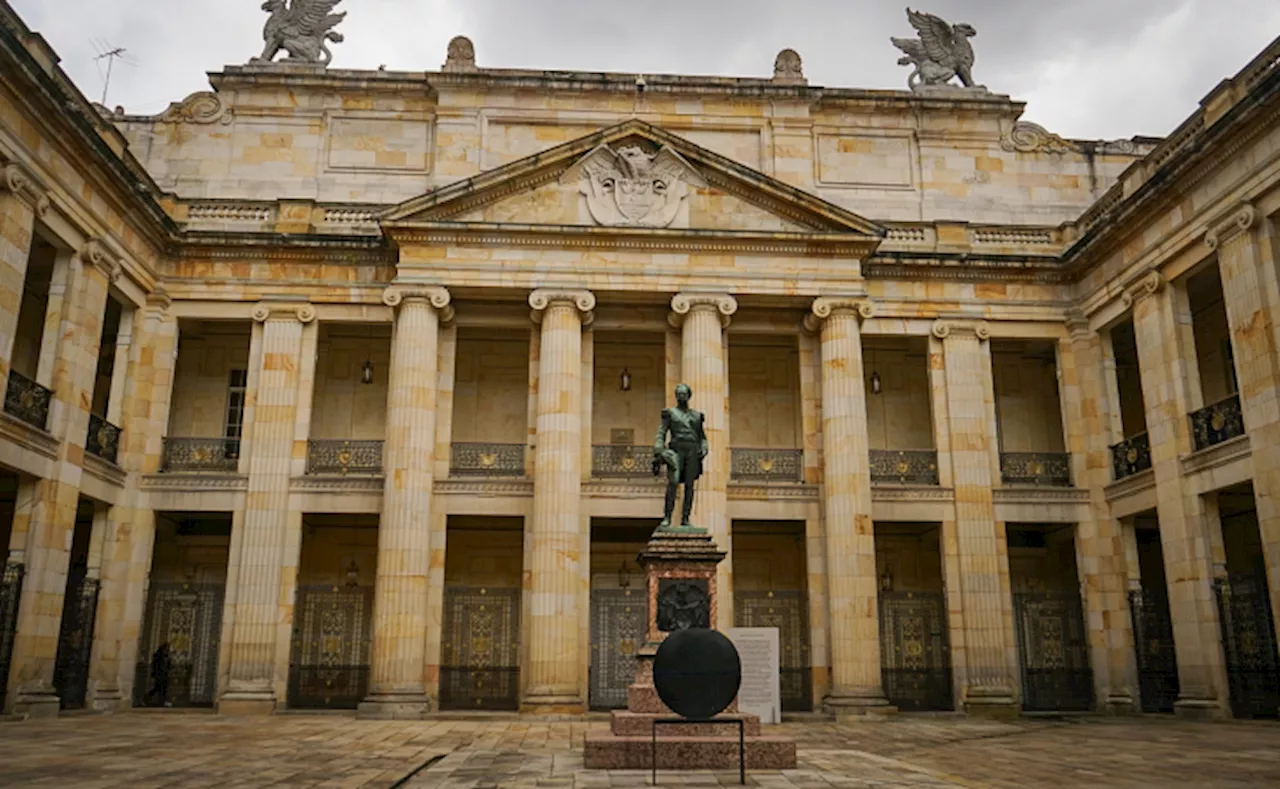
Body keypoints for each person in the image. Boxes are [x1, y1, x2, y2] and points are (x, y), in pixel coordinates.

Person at [652, 384, 709, 530]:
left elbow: (702, 437)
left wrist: (704, 447)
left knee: (689, 486)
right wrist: (659, 449)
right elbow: (661, 432)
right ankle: (667, 517)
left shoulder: (696, 416)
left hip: (692, 451)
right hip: (676, 451)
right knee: (673, 482)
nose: (681, 396)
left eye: (684, 394)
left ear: (688, 396)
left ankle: (685, 518)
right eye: (679, 394)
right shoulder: (670, 413)